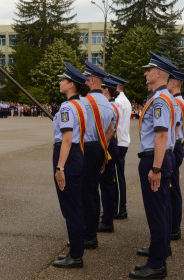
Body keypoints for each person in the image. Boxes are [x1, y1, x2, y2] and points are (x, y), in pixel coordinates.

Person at [129, 52, 177, 279]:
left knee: (157, 212)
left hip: (154, 158)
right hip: (159, 157)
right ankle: (159, 253)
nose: (145, 73)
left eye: (149, 70)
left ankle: (156, 264)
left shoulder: (160, 100)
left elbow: (161, 136)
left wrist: (156, 168)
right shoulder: (163, 97)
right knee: (162, 209)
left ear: (159, 73)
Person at [51, 62, 89, 269]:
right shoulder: (81, 104)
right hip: (77, 153)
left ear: (71, 85)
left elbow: (66, 139)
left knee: (70, 207)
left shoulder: (67, 107)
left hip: (67, 154)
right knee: (76, 204)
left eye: (63, 80)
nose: (60, 82)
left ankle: (75, 255)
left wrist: (60, 168)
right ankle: (76, 249)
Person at [80, 61, 115, 249]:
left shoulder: (84, 102)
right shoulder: (109, 104)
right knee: (93, 192)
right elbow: (110, 130)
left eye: (86, 78)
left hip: (85, 148)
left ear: (92, 79)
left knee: (84, 193)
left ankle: (87, 235)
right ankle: (91, 234)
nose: (84, 80)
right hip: (99, 148)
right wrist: (103, 150)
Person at [167, 69, 184, 241]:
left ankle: (174, 227)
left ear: (174, 83)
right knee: (172, 188)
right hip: (176, 146)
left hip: (174, 147)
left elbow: (174, 130)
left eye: (168, 81)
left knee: (172, 189)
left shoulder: (177, 102)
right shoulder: (178, 101)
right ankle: (173, 225)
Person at [98, 78, 121, 233]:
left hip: (108, 144)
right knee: (108, 184)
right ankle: (107, 215)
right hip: (111, 143)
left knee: (106, 184)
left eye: (102, 87)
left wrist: (101, 151)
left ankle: (107, 220)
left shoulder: (109, 106)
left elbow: (109, 131)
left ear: (106, 90)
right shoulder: (112, 105)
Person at [111, 74, 131, 219]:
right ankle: (118, 206)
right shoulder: (125, 100)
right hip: (123, 141)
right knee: (118, 176)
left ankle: (119, 209)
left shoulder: (118, 102)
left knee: (117, 177)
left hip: (118, 141)